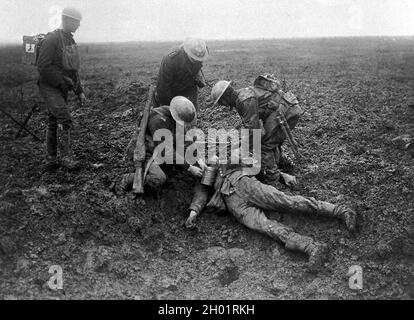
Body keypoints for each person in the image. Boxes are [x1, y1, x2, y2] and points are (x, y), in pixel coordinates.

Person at [184, 152, 358, 271]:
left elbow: (253, 163)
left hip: (245, 183)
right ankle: (311, 247)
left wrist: (281, 175)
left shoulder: (222, 158)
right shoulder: (202, 180)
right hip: (233, 203)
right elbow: (200, 196)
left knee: (287, 202)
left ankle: (340, 211)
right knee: (265, 227)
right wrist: (193, 213)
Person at [210, 74, 302, 184]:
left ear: (225, 98)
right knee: (270, 139)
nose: (223, 105)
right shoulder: (241, 97)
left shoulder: (244, 100)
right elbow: (252, 125)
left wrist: (240, 149)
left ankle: (273, 179)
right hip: (286, 107)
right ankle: (284, 164)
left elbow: (253, 130)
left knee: (264, 146)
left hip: (287, 110)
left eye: (221, 102)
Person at [115, 96, 206, 194]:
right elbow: (167, 152)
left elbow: (184, 139)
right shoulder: (158, 121)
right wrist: (190, 168)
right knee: (159, 178)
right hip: (145, 151)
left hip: (160, 148)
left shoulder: (175, 115)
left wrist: (199, 159)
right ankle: (126, 179)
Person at [37, 7, 86, 170]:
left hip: (61, 86)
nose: (78, 25)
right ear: (66, 20)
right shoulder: (51, 39)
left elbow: (73, 69)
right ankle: (66, 159)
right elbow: (43, 67)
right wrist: (61, 82)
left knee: (53, 121)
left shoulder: (70, 40)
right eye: (76, 22)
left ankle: (51, 159)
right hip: (49, 85)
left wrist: (79, 91)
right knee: (64, 118)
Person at [154, 39, 209, 112]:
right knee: (172, 114)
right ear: (188, 52)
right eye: (194, 58)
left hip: (189, 85)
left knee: (192, 112)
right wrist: (169, 106)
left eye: (198, 59)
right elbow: (163, 86)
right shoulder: (172, 59)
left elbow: (196, 71)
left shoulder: (202, 50)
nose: (196, 60)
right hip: (172, 88)